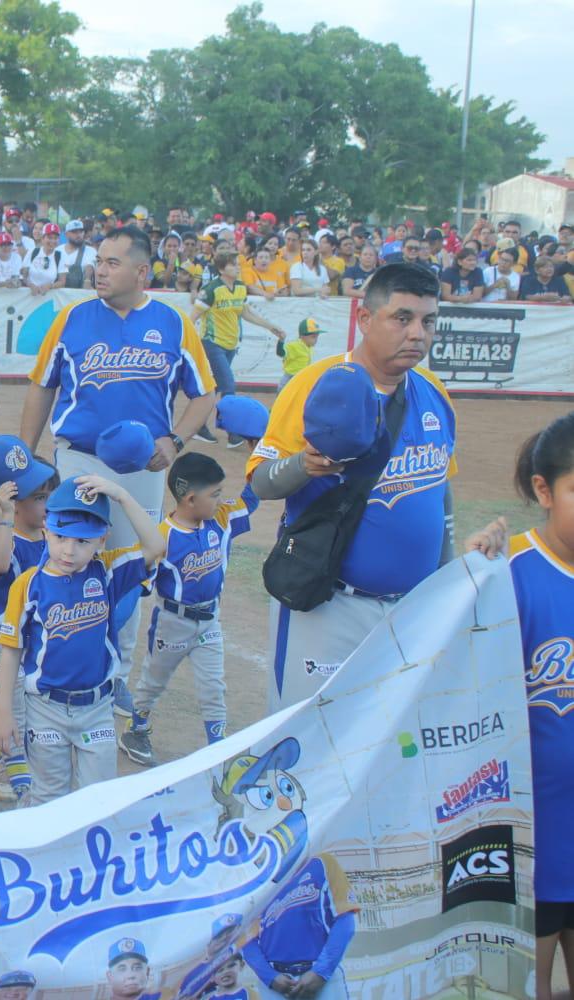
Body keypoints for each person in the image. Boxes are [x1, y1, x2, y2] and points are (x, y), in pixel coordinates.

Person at [20, 225, 216, 715]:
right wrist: (25, 457)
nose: (98, 270)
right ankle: (58, 657)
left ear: (141, 271)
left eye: (111, 262)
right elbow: (43, 386)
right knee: (70, 558)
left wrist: (175, 439)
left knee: (130, 567)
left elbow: (205, 394)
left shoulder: (173, 324)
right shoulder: (72, 318)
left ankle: (115, 673)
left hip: (144, 468)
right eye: (98, 261)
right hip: (80, 457)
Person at [247, 263, 455, 711]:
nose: (417, 333)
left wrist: (445, 585)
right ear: (365, 320)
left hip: (411, 610)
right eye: (402, 318)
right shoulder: (314, 384)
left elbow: (441, 494)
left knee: (390, 742)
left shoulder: (433, 391)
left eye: (428, 321)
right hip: (329, 604)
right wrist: (305, 464)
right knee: (301, 740)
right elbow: (261, 483)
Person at [463, 413, 574, 1000]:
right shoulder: (513, 574)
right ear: (543, 491)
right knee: (523, 984)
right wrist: (471, 581)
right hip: (532, 841)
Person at [0, 477, 164, 801]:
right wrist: (4, 711)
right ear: (46, 529)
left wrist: (123, 495)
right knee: (46, 797)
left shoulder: (108, 571)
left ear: (102, 540)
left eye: (83, 541)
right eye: (60, 537)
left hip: (97, 707)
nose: (69, 550)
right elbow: (11, 651)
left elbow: (156, 545)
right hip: (45, 708)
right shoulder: (29, 585)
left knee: (97, 800)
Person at [119, 452, 258, 766]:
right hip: (172, 623)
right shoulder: (163, 538)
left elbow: (253, 497)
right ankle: (137, 728)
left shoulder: (220, 519)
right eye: (215, 494)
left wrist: (259, 456)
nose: (222, 500)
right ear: (191, 499)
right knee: (154, 681)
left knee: (214, 687)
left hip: (210, 621)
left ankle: (218, 749)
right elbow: (139, 582)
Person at [0, 436, 57, 802]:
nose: (48, 505)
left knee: (41, 707)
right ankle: (8, 760)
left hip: (41, 639)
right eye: (38, 498)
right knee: (16, 710)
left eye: (49, 495)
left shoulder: (54, 537)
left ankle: (23, 755)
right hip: (6, 641)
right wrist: (4, 518)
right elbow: (1, 565)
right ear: (14, 502)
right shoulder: (5, 540)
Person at [190, 252, 285, 447]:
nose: (238, 267)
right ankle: (233, 434)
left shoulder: (240, 287)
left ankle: (198, 426)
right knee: (228, 387)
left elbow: (245, 312)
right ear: (222, 268)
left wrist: (270, 326)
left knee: (214, 386)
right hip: (212, 342)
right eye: (233, 265)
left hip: (230, 344)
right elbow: (193, 317)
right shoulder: (211, 290)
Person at [24, 223, 68, 295]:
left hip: (49, 298)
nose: (53, 241)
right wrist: (31, 285)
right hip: (29, 296)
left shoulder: (61, 256)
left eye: (55, 238)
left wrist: (50, 286)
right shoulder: (32, 252)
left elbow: (62, 282)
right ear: (42, 239)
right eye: (50, 237)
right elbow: (23, 276)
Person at [279, 318, 322, 390]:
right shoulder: (294, 346)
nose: (316, 340)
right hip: (290, 380)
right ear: (302, 336)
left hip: (301, 378)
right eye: (313, 337)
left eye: (317, 336)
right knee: (284, 400)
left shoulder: (309, 347)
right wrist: (281, 341)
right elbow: (280, 353)